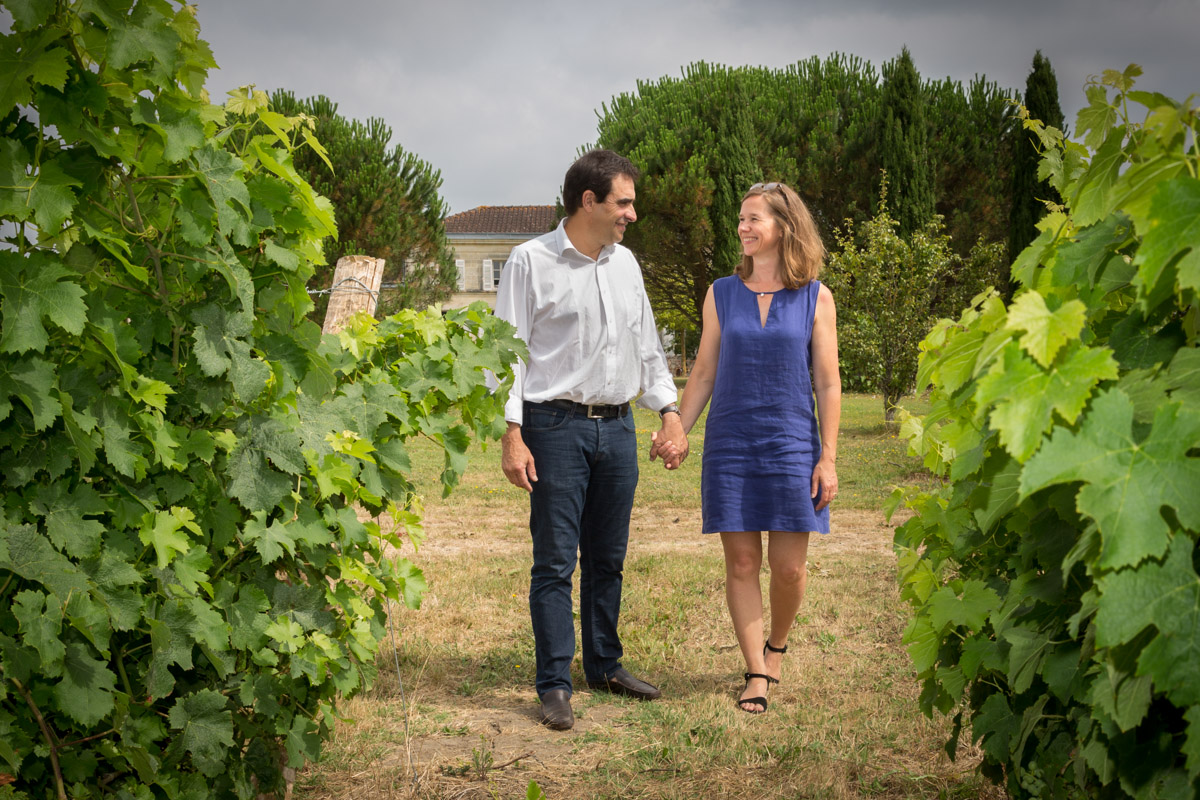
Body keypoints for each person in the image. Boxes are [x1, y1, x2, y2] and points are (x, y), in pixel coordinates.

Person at [493, 149, 687, 731]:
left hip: (618, 428)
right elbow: (507, 354)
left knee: (608, 557)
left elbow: (646, 345)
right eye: (623, 202)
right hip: (553, 427)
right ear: (589, 201)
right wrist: (511, 432)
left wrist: (670, 411)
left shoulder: (626, 264)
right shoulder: (529, 261)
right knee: (554, 562)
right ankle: (554, 682)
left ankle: (605, 665)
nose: (632, 213)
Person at [672, 181, 841, 714]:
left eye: (753, 219)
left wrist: (828, 456)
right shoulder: (721, 292)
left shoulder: (816, 295)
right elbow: (703, 373)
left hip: (792, 442)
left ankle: (777, 646)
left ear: (784, 227)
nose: (742, 228)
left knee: (789, 569)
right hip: (732, 443)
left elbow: (829, 383)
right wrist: (679, 426)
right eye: (740, 219)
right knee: (742, 562)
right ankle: (755, 671)